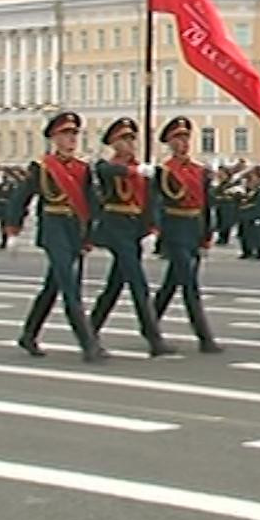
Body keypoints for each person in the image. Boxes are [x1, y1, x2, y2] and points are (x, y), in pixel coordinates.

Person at [5, 111, 106, 362]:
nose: (71, 139)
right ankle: (89, 344)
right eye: (65, 134)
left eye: (74, 134)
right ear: (53, 137)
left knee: (54, 286)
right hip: (53, 229)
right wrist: (12, 230)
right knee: (71, 289)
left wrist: (90, 234)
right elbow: (21, 198)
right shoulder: (41, 167)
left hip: (76, 231)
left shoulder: (83, 168)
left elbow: (91, 202)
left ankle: (29, 334)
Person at [88, 117, 177, 356]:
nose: (130, 143)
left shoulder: (141, 170)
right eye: (124, 139)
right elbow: (107, 171)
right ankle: (153, 338)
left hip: (135, 229)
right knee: (138, 283)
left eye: (131, 139)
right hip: (115, 228)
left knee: (115, 285)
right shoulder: (108, 167)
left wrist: (153, 230)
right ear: (114, 144)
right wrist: (134, 170)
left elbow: (152, 201)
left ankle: (90, 329)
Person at [151, 117, 223, 354]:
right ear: (169, 143)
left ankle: (150, 323)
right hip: (175, 229)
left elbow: (206, 204)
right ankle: (205, 338)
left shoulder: (198, 170)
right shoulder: (164, 170)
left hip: (194, 228)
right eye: (177, 139)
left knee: (172, 284)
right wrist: (156, 231)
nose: (183, 143)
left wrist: (206, 234)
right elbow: (156, 203)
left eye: (185, 138)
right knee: (190, 285)